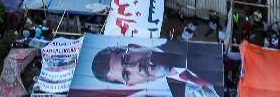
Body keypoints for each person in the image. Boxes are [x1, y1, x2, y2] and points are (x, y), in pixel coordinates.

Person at [90, 42, 222, 96]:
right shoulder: (177, 93)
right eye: (126, 75)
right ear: (131, 83)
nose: (136, 67)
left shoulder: (186, 43)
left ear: (135, 45)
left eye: (126, 59)